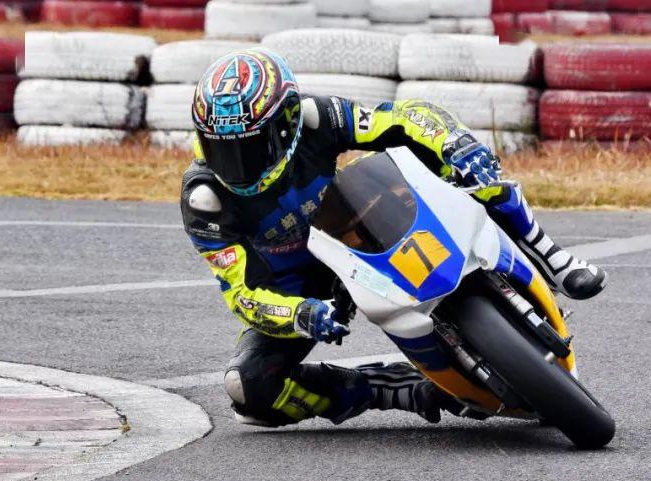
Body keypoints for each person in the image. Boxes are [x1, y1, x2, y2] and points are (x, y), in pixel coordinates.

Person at [181, 48, 606, 428]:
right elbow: (241, 294)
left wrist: (454, 143)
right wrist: (299, 314)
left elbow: (405, 117)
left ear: (286, 123)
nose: (236, 165)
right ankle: (389, 390)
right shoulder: (205, 199)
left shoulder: (316, 117)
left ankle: (551, 256)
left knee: (468, 167)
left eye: (251, 147)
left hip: (357, 224)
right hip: (298, 286)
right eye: (222, 149)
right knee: (248, 389)